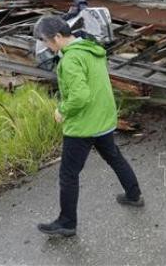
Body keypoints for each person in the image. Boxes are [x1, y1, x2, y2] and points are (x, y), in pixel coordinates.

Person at [34, 15, 143, 237]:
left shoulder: (71, 60)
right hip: (103, 119)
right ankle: (134, 195)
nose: (45, 46)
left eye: (46, 40)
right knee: (114, 157)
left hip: (84, 125)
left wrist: (62, 110)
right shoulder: (92, 48)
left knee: (68, 174)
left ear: (56, 37)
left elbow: (80, 95)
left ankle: (67, 223)